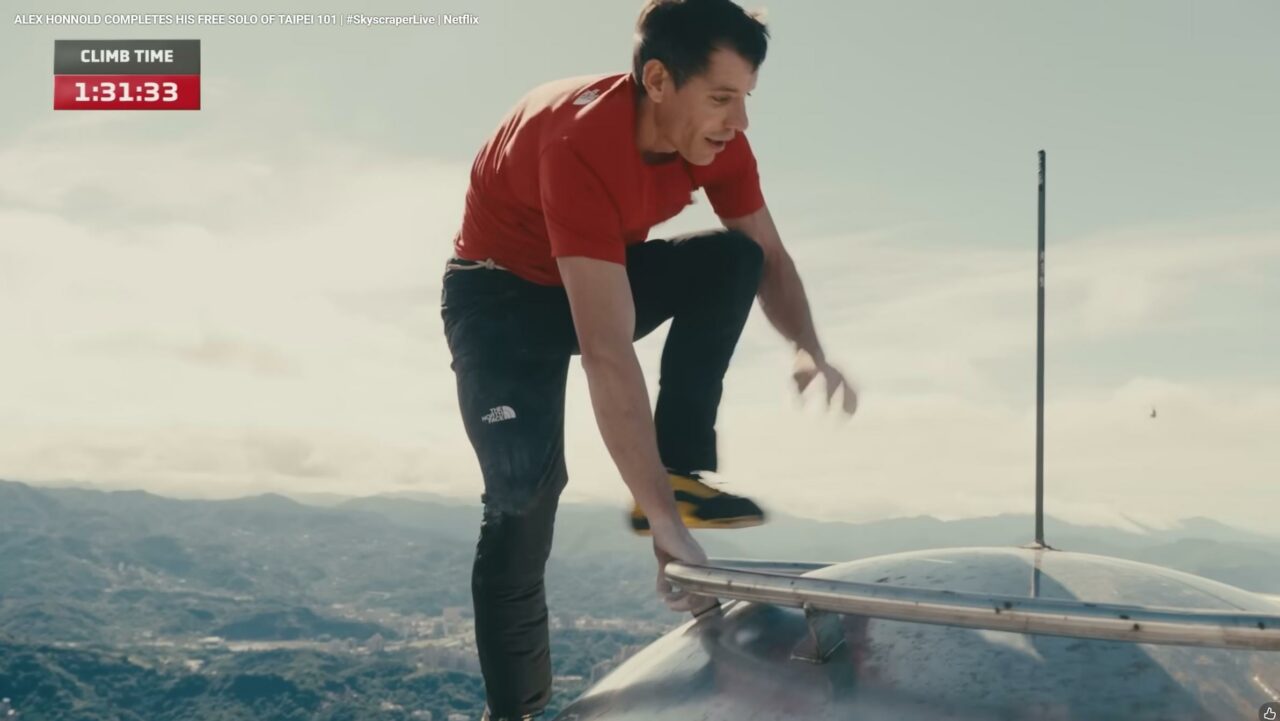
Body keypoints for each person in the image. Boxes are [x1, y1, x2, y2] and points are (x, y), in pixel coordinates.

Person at [440, 0, 856, 718]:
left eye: (746, 98)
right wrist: (663, 526)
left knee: (735, 259)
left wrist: (806, 346)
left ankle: (680, 472)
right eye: (721, 98)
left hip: (594, 269)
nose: (739, 120)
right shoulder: (577, 143)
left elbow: (770, 256)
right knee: (523, 492)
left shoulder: (720, 144)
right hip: (499, 299)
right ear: (659, 80)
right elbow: (607, 353)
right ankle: (515, 711)